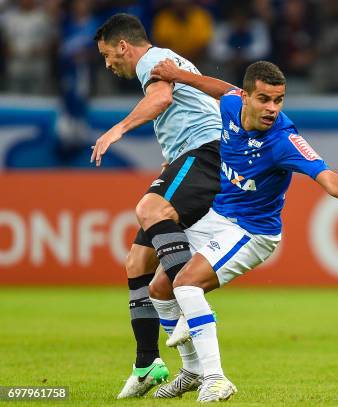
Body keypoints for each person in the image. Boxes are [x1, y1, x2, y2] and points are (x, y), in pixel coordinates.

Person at [146, 59, 338, 402]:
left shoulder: (285, 140)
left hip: (253, 232)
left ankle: (216, 378)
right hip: (218, 216)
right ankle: (192, 370)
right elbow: (219, 88)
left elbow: (329, 179)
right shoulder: (230, 104)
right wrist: (178, 75)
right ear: (246, 98)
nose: (272, 108)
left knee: (186, 285)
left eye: (279, 100)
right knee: (160, 289)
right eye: (264, 99)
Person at [92, 13, 222, 399]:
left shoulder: (151, 59)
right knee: (137, 263)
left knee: (149, 208)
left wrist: (117, 129)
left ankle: (186, 307)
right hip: (191, 153)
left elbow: (162, 98)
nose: (107, 63)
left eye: (106, 55)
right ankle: (147, 363)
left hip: (206, 152)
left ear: (123, 46)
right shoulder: (163, 61)